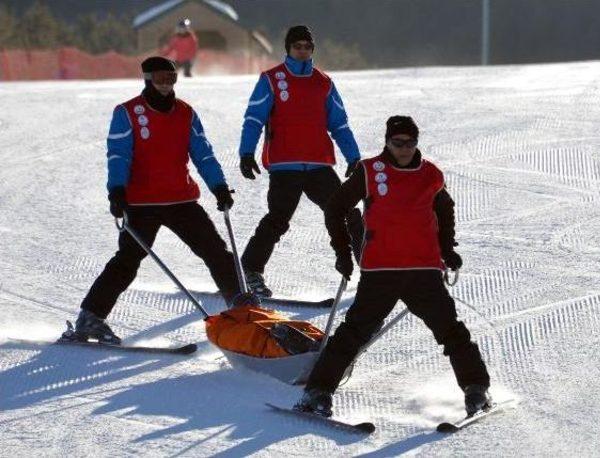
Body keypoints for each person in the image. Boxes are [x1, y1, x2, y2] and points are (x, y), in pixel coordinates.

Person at [294, 116, 492, 417]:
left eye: (410, 143)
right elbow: (336, 208)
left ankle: (476, 390)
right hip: (380, 271)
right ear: (387, 141)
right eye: (398, 143)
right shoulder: (370, 171)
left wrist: (447, 249)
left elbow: (445, 211)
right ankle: (317, 393)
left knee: (451, 331)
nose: (404, 149)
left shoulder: (431, 174)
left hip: (423, 270)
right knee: (353, 333)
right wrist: (342, 252)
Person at [68, 56, 253, 344]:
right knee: (127, 261)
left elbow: (202, 154)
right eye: (160, 78)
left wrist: (219, 186)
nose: (166, 84)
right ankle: (90, 318)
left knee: (216, 251)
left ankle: (241, 308)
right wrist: (116, 191)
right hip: (141, 204)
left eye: (171, 78)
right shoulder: (127, 113)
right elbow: (118, 155)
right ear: (147, 79)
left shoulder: (185, 113)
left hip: (181, 200)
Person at [238, 25, 364, 297]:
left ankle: (371, 267)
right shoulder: (272, 80)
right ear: (289, 49)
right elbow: (253, 119)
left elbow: (339, 124)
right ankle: (250, 270)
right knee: (278, 219)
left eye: (307, 47)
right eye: (298, 47)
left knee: (349, 212)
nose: (303, 51)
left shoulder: (323, 83)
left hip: (319, 165)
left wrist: (353, 157)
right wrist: (246, 153)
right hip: (285, 165)